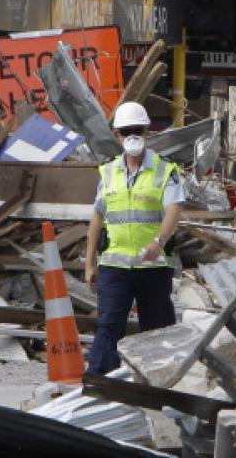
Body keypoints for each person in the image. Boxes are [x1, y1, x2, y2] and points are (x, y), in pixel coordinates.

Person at [84, 102, 184, 374]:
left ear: (147, 132)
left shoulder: (165, 171)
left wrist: (158, 242)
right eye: (126, 131)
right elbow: (97, 218)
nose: (132, 137)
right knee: (108, 326)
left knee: (157, 329)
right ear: (117, 135)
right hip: (115, 267)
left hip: (153, 267)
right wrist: (90, 264)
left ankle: (160, 384)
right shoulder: (108, 172)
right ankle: (100, 385)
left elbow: (174, 210)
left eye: (137, 131)